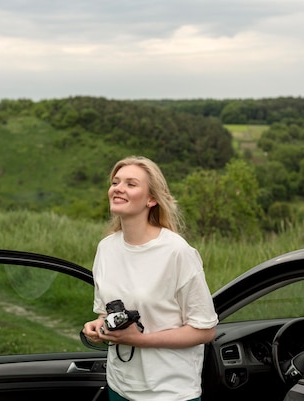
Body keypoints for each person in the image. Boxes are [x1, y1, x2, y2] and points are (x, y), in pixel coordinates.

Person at [82, 156, 218, 401]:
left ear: (152, 199)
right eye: (115, 182)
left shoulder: (177, 252)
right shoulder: (106, 248)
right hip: (120, 386)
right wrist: (99, 326)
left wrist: (140, 340)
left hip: (169, 392)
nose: (119, 188)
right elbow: (107, 312)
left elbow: (204, 330)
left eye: (131, 184)